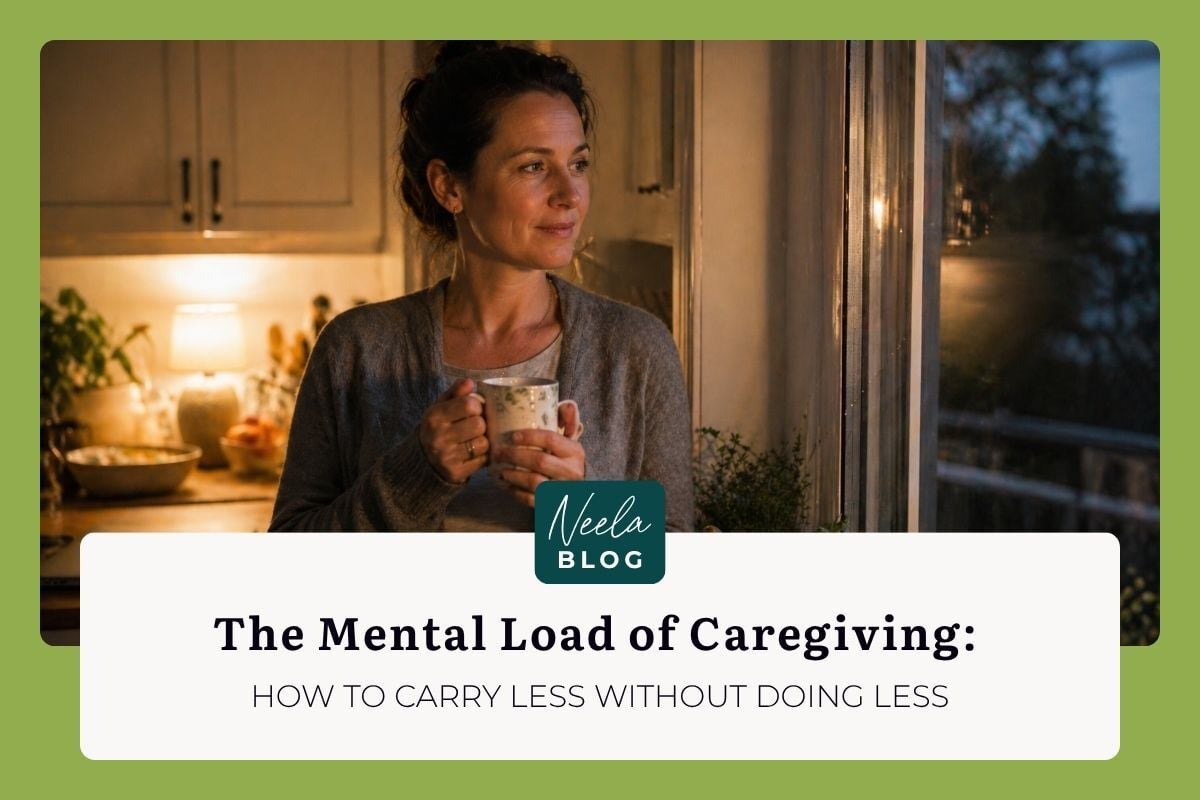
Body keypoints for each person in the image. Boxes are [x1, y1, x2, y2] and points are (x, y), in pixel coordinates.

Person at [269, 42, 694, 533]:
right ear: (449, 186)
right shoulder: (356, 349)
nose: (569, 194)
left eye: (577, 164)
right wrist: (414, 476)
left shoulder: (635, 349)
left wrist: (579, 507)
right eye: (534, 166)